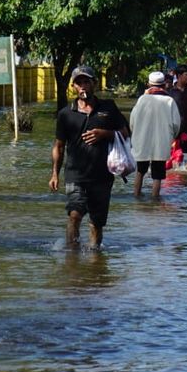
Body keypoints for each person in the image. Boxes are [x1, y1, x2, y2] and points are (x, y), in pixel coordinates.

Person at [50, 66, 129, 249]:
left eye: (87, 81)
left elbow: (125, 133)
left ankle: (94, 261)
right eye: (79, 83)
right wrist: (54, 173)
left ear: (94, 83)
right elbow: (59, 146)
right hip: (75, 174)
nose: (83, 86)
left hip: (102, 175)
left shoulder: (108, 108)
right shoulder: (65, 114)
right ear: (73, 87)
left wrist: (105, 134)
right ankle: (72, 257)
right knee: (75, 214)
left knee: (96, 223)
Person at [128, 71, 180, 198]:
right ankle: (155, 200)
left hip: (142, 140)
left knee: (140, 171)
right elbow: (176, 124)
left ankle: (136, 196)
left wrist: (136, 135)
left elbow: (132, 122)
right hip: (161, 141)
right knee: (158, 174)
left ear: (148, 84)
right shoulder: (169, 101)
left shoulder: (141, 99)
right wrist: (172, 137)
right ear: (164, 85)